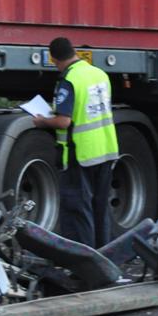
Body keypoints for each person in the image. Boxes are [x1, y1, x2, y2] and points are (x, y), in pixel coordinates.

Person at [33, 37, 120, 248]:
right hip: (105, 151)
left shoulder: (69, 80)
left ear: (54, 59)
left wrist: (42, 121)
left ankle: (84, 266)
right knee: (100, 209)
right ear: (73, 52)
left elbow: (63, 121)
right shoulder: (99, 74)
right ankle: (103, 260)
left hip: (79, 155)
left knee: (78, 212)